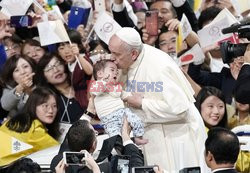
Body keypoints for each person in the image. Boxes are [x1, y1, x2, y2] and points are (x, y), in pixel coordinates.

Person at [108, 27, 208, 172]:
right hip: (153, 137)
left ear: (134, 53)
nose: (112, 58)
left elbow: (180, 108)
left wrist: (142, 103)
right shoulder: (128, 61)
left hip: (177, 137)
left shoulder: (159, 66)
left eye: (116, 54)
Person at [50, 118, 144, 173]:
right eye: (95, 133)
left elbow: (74, 132)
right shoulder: (107, 168)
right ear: (93, 146)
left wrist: (89, 111)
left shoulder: (57, 162)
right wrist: (126, 136)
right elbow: (137, 168)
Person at [91, 59, 147, 145]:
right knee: (115, 136)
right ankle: (118, 147)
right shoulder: (97, 85)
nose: (116, 73)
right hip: (108, 118)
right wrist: (104, 81)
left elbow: (125, 95)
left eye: (117, 71)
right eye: (112, 70)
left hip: (123, 112)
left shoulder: (116, 87)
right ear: (100, 74)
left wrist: (136, 96)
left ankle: (138, 137)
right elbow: (96, 91)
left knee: (136, 120)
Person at [0, 87, 59, 166]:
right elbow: (59, 151)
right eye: (45, 106)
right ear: (33, 106)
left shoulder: (13, 121)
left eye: (54, 106)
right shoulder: (34, 129)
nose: (51, 110)